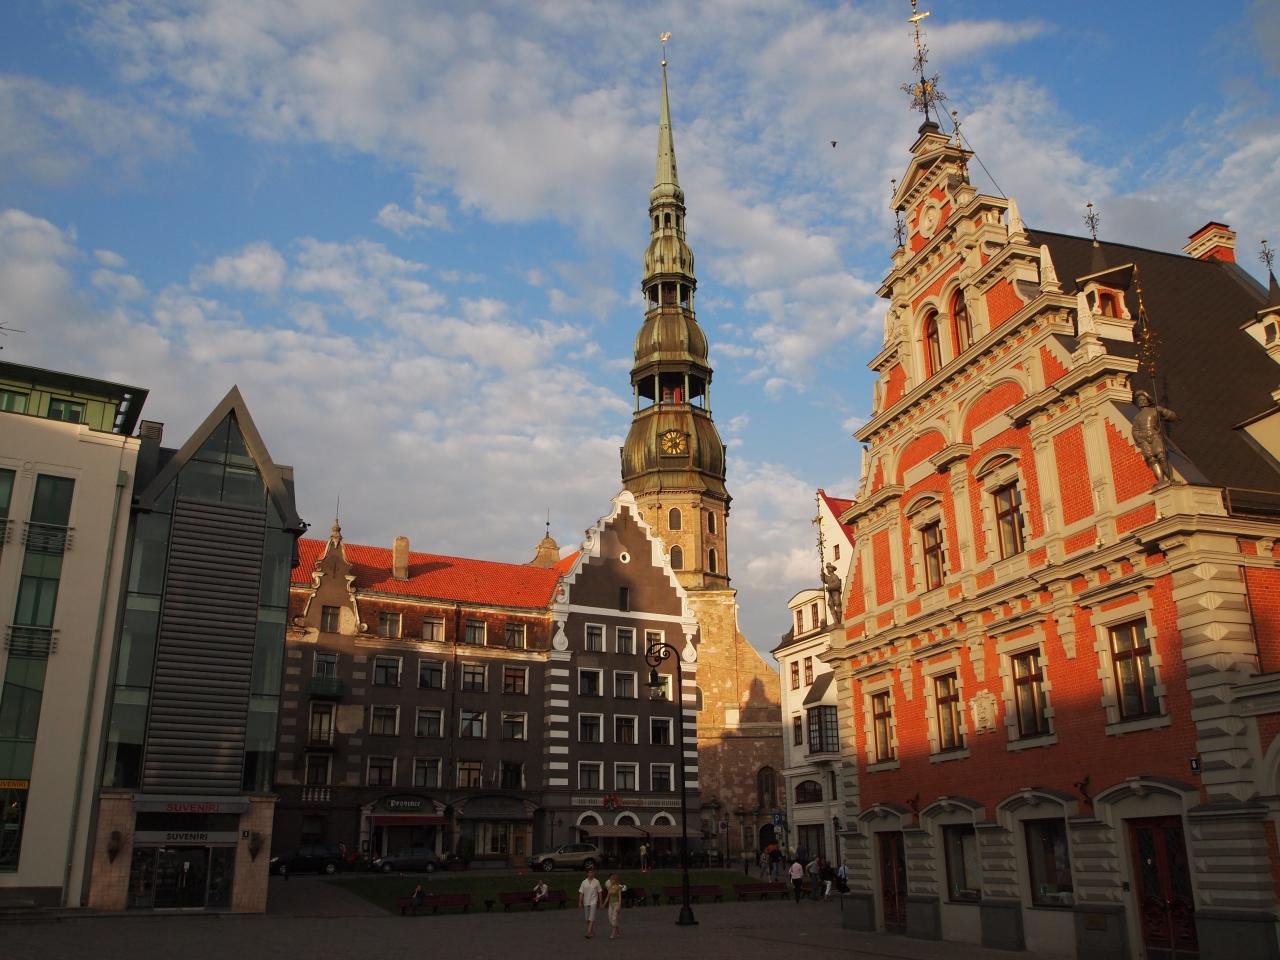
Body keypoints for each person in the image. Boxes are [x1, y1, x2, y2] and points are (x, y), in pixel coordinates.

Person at [1131, 389, 1177, 484]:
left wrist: (1163, 411)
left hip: (1155, 436)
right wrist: (1140, 438)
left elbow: (1172, 416)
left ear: (1148, 400)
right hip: (1144, 440)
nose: (1141, 401)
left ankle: (1170, 478)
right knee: (1151, 459)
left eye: (1143, 399)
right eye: (1139, 400)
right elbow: (1135, 430)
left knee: (1161, 456)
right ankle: (1160, 480)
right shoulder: (1136, 417)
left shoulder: (1154, 410)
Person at [578, 867, 603, 938]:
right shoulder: (584, 882)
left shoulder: (596, 881)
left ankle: (588, 932)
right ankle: (591, 931)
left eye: (592, 872)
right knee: (587, 918)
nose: (591, 874)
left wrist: (601, 902)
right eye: (590, 872)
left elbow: (600, 892)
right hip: (586, 901)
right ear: (587, 874)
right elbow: (581, 893)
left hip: (594, 901)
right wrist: (580, 902)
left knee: (591, 917)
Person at [604, 873, 626, 939]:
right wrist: (604, 904)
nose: (610, 881)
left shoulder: (618, 888)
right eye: (610, 879)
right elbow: (607, 897)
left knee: (614, 918)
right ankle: (617, 930)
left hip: (616, 904)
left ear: (615, 880)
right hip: (610, 904)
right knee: (610, 919)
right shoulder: (609, 887)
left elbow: (620, 898)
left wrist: (619, 906)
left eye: (611, 880)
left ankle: (613, 933)